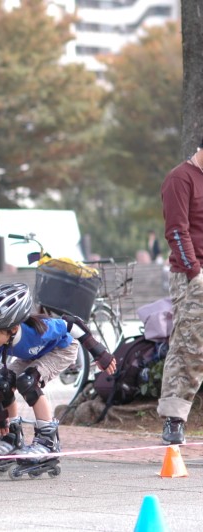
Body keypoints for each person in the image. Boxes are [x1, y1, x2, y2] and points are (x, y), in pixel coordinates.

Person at [0, 284, 115, 471]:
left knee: (27, 381)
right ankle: (11, 437)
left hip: (62, 350)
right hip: (32, 354)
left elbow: (73, 324)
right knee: (3, 383)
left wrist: (98, 352)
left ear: (14, 328)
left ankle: (47, 442)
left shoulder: (39, 330)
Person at [158, 136, 203, 445]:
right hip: (192, 275)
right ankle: (174, 419)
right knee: (190, 346)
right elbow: (176, 230)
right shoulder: (180, 178)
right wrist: (195, 273)